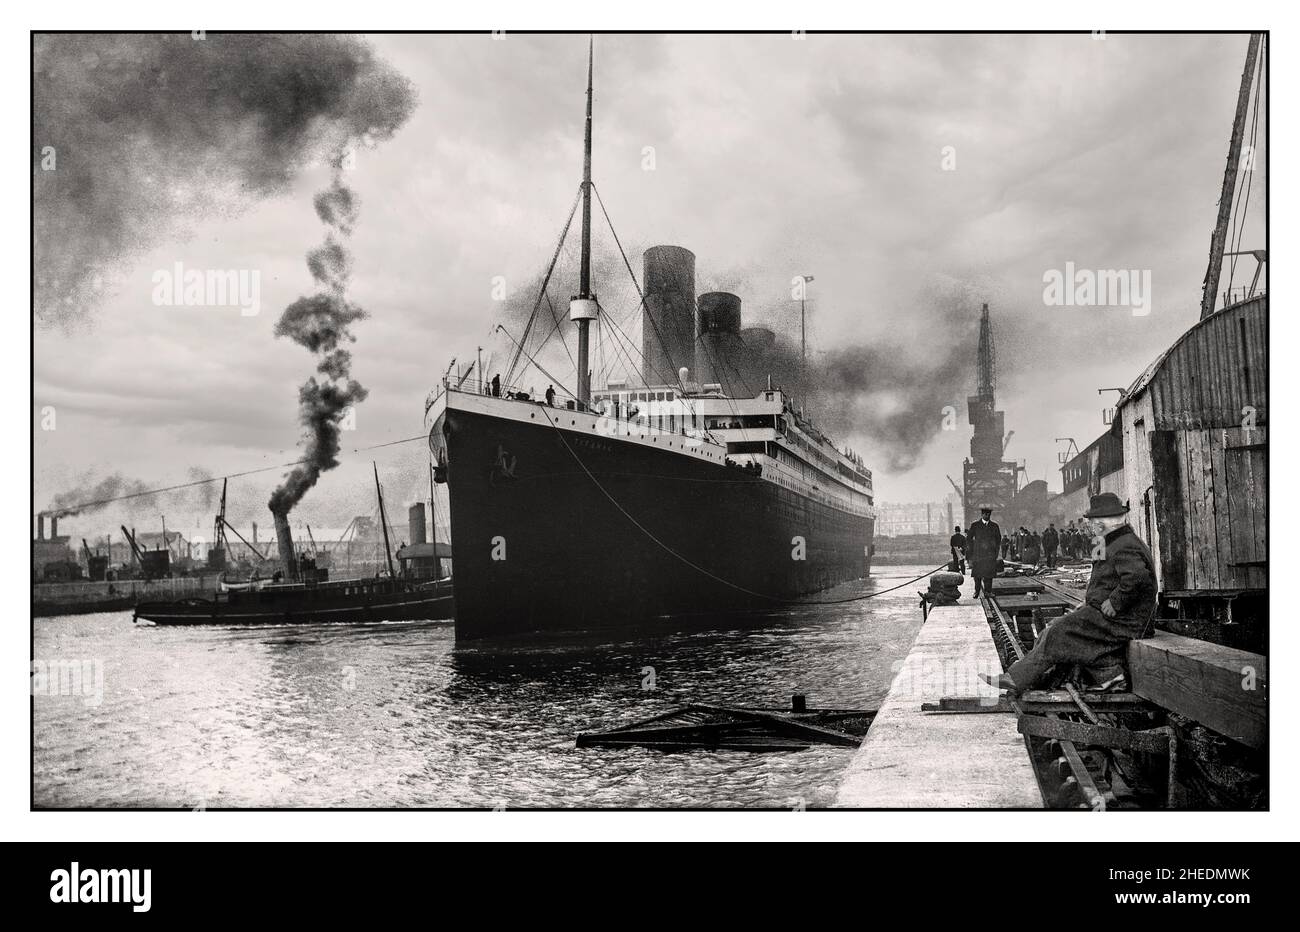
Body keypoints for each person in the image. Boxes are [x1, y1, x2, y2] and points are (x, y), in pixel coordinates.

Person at [981, 493, 1157, 694]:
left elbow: (1137, 579)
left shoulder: (1123, 545)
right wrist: (1089, 601)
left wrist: (1115, 603)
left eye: (1093, 522)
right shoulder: (1114, 541)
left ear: (1105, 522)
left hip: (1127, 619)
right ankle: (1109, 676)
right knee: (1053, 628)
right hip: (1119, 616)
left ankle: (1018, 678)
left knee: (1059, 632)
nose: (1090, 525)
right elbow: (1107, 580)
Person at [966, 506, 1002, 597]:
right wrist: (972, 549)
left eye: (989, 514)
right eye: (985, 514)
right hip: (978, 554)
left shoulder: (994, 526)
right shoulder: (975, 525)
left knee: (989, 575)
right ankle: (976, 591)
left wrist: (995, 551)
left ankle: (988, 592)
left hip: (990, 554)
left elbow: (998, 539)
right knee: (977, 575)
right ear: (982, 514)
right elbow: (969, 538)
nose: (987, 516)